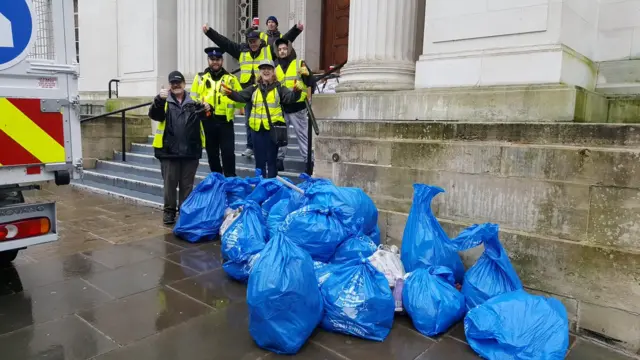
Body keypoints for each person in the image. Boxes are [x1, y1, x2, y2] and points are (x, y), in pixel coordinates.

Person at [202, 22, 304, 158]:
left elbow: (284, 41)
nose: (253, 44)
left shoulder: (268, 50)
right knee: (248, 121)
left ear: (260, 40)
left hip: (267, 91)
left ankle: (269, 147)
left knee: (268, 119)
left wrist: (296, 30)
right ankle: (251, 146)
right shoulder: (241, 51)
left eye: (255, 41)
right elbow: (225, 43)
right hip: (249, 92)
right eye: (250, 41)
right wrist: (209, 32)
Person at [222, 60, 303, 179]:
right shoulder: (254, 88)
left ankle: (271, 187)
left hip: (272, 130)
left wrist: (297, 91)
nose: (266, 71)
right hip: (256, 131)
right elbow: (240, 96)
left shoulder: (279, 88)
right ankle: (260, 186)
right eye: (263, 68)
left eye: (269, 68)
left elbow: (290, 98)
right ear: (259, 72)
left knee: (271, 161)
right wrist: (230, 93)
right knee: (259, 163)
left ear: (273, 72)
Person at [149, 71, 206, 225]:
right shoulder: (164, 101)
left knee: (187, 186)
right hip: (169, 151)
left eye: (178, 82)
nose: (176, 85)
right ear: (169, 86)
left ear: (184, 84)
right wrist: (158, 100)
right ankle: (169, 212)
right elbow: (155, 115)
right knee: (169, 185)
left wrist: (208, 109)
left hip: (190, 151)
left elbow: (206, 116)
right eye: (173, 83)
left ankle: (185, 212)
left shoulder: (194, 101)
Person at [191, 47, 242, 177]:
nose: (215, 62)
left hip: (226, 122)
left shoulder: (231, 78)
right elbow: (192, 99)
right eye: (212, 59)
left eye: (218, 59)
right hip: (208, 121)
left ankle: (230, 182)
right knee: (212, 154)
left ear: (222, 60)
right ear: (208, 60)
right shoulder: (200, 78)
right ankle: (217, 182)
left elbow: (242, 101)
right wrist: (201, 105)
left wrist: (232, 94)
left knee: (228, 154)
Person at [273, 38, 315, 173]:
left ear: (289, 49)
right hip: (283, 108)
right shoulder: (275, 66)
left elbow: (311, 82)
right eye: (279, 49)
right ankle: (279, 161)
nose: (282, 51)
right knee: (281, 136)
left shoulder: (299, 63)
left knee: (303, 136)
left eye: (284, 48)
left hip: (298, 108)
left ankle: (309, 162)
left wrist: (309, 98)